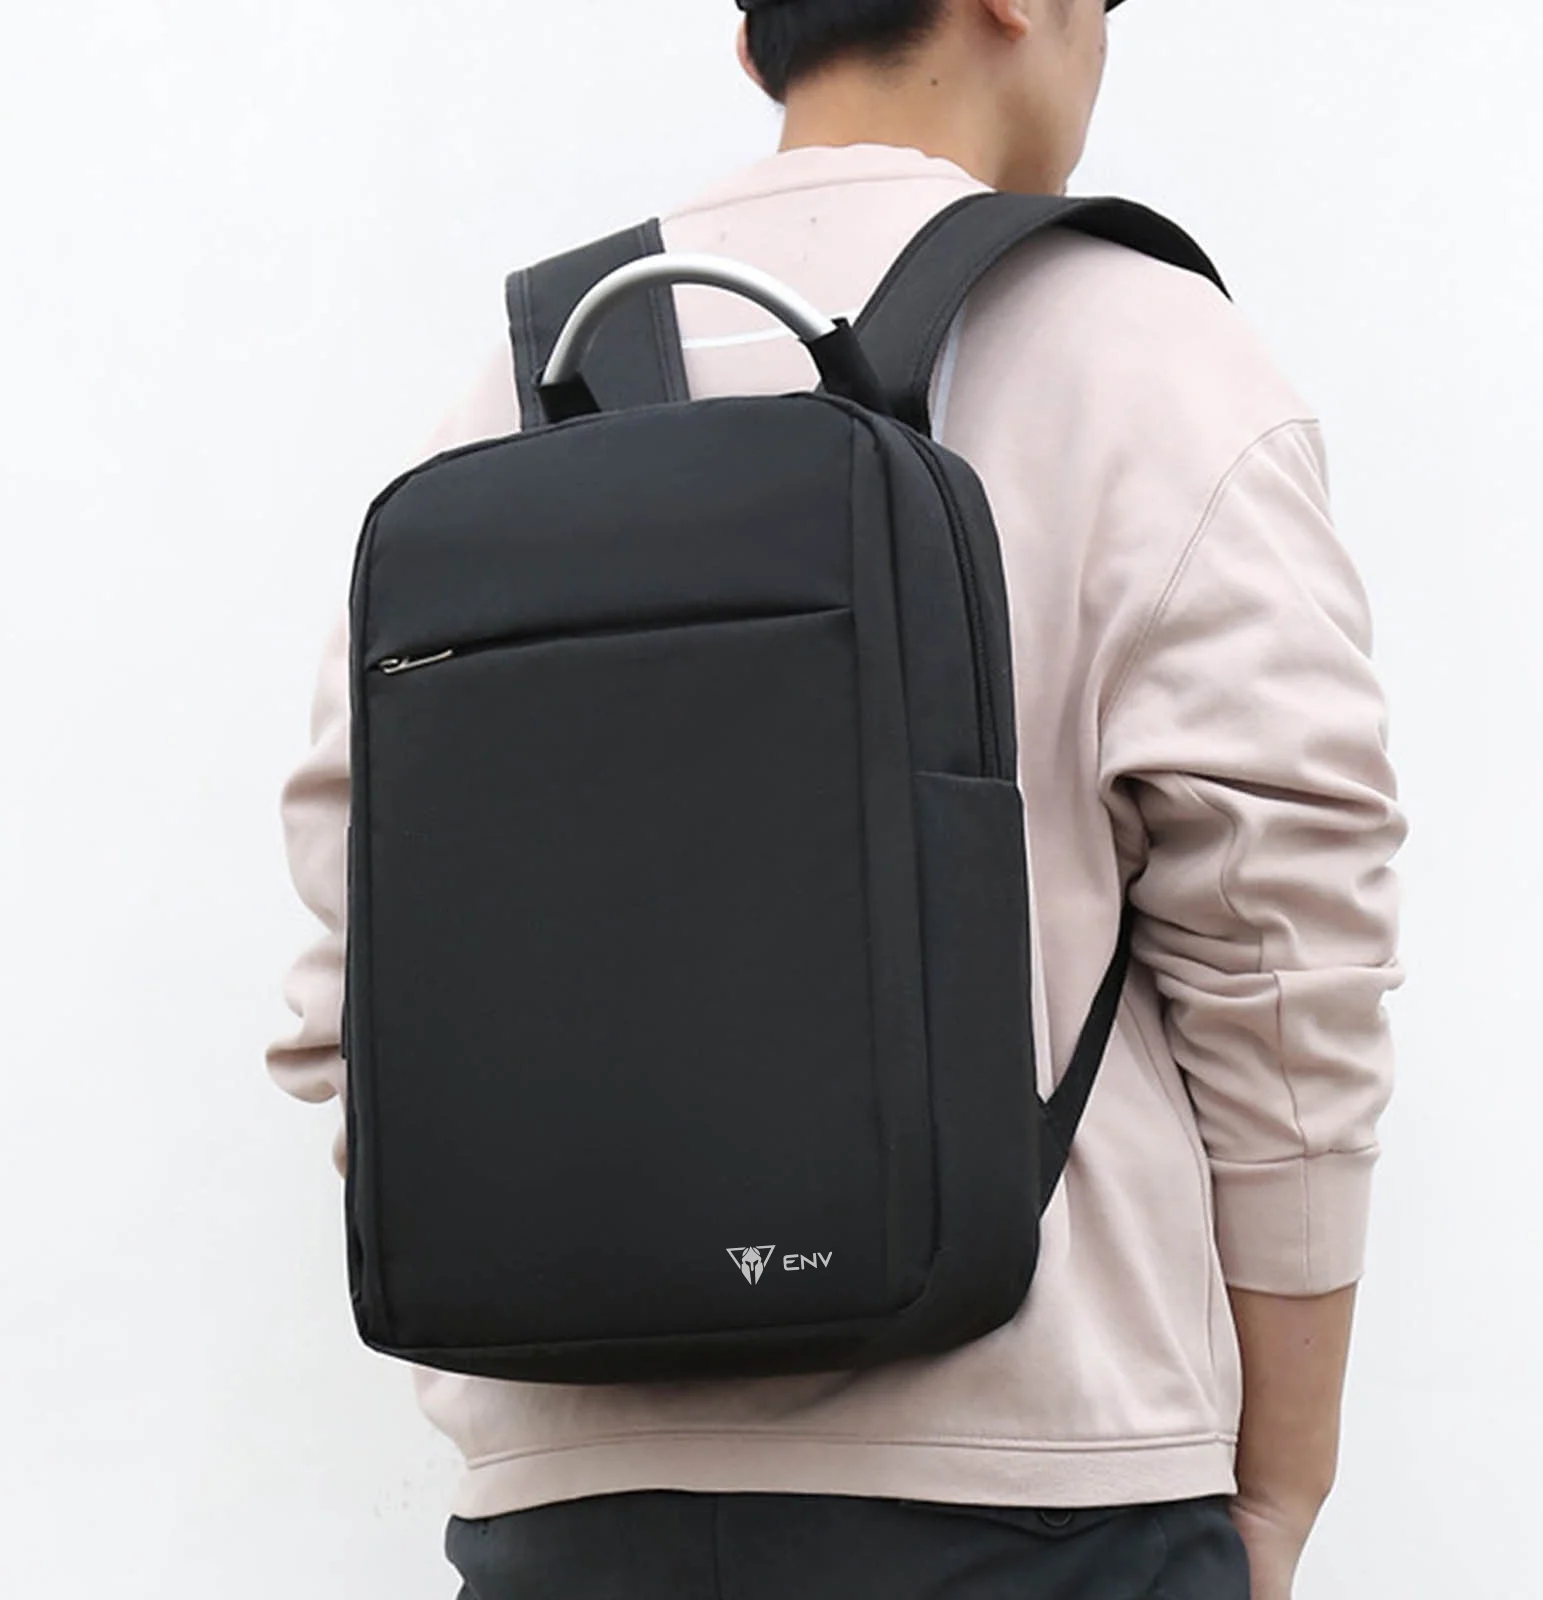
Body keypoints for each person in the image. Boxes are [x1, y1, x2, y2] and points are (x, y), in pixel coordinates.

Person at [267, 2, 1408, 1596]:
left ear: (756, 44)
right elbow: (1288, 961)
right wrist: (1281, 1477)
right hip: (1039, 1501)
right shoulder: (1150, 357)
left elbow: (356, 996)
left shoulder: (513, 394)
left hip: (573, 1525)